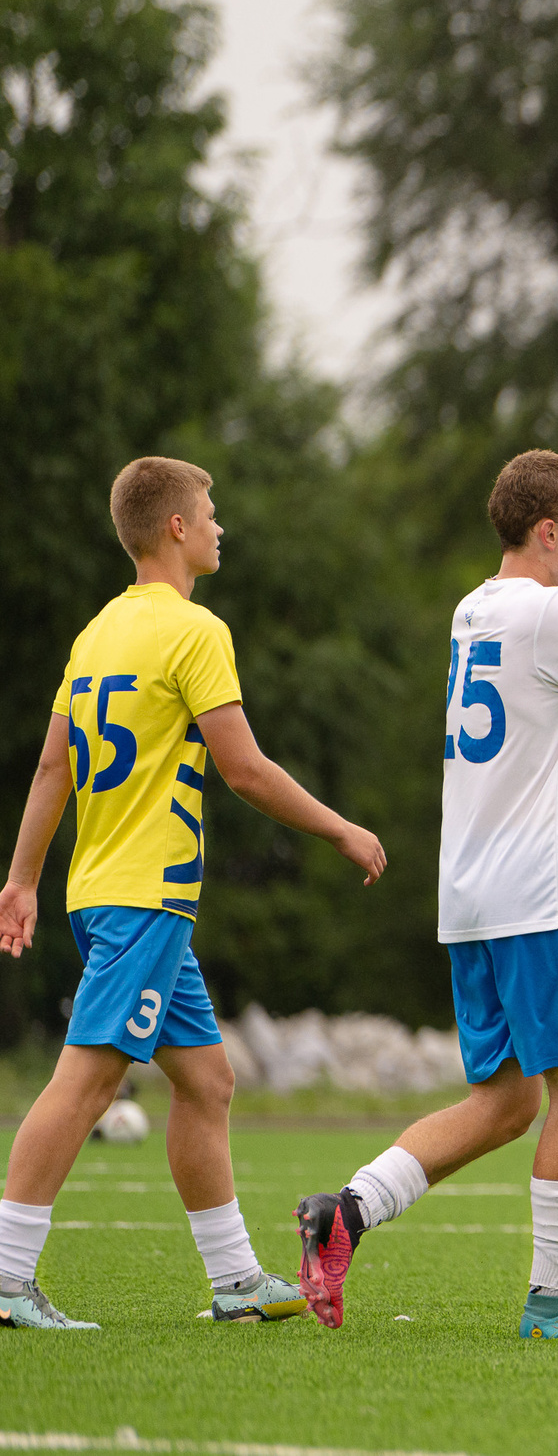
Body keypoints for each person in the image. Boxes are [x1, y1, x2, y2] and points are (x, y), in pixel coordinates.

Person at [292, 451, 558, 1341]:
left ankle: (347, 1212)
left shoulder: (477, 608)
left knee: (507, 1100)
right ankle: (555, 1304)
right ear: (548, 531)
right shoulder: (552, 611)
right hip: (551, 898)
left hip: (479, 898)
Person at [0, 458, 385, 1330]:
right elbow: (243, 767)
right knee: (88, 1081)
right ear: (175, 526)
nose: (220, 526)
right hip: (144, 898)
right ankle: (6, 1274)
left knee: (207, 1079)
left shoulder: (98, 631)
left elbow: (52, 764)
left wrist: (24, 878)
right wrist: (339, 828)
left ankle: (236, 1280)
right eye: (209, 512)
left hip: (107, 891)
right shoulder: (194, 629)